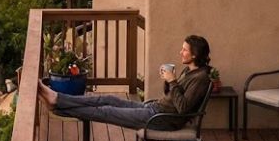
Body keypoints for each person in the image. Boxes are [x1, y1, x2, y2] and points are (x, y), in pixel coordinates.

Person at [38, 35, 212, 130]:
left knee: (106, 111)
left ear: (194, 55)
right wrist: (168, 82)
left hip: (162, 120)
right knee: (107, 99)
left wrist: (172, 82)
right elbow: (173, 96)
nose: (180, 52)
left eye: (184, 50)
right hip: (153, 109)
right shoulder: (189, 70)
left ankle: (58, 105)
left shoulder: (200, 78)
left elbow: (183, 108)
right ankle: (56, 98)